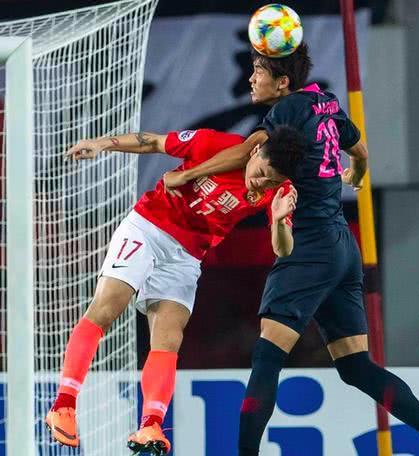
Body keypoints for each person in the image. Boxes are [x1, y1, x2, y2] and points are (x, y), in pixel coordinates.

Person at [164, 42, 419, 456]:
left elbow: (248, 151)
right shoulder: (326, 102)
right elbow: (360, 151)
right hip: (342, 246)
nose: (251, 78)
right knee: (355, 365)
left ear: (282, 82)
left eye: (259, 71)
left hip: (310, 246)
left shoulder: (285, 110)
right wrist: (356, 173)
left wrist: (187, 174)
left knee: (267, 359)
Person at [45, 126, 304, 455]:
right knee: (107, 307)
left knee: (169, 338)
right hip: (148, 228)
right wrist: (101, 143)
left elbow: (282, 249)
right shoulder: (213, 143)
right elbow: (153, 142)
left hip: (186, 256)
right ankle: (64, 405)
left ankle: (150, 425)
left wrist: (279, 221)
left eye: (270, 181)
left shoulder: (281, 192)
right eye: (261, 173)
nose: (261, 183)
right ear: (255, 152)